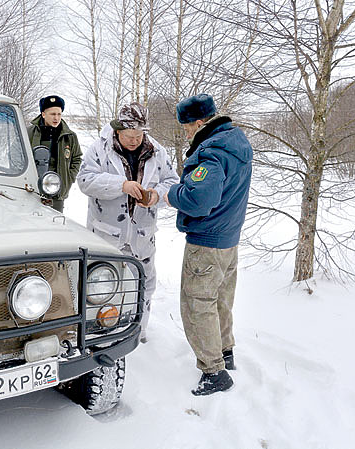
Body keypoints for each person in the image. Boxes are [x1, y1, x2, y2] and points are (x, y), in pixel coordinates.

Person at [164, 93, 253, 396]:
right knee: (220, 299)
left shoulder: (211, 152)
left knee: (197, 304)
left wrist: (170, 194)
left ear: (200, 122)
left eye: (186, 127)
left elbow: (199, 200)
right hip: (229, 238)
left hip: (207, 242)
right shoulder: (236, 141)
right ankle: (225, 351)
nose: (186, 132)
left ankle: (214, 371)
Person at [77, 102, 179, 343]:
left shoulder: (157, 151)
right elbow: (84, 180)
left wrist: (155, 196)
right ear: (117, 130)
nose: (134, 141)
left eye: (138, 135)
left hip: (143, 235)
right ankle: (101, 334)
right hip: (106, 235)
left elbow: (172, 182)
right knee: (101, 284)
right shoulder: (100, 150)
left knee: (144, 285)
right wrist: (120, 185)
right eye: (128, 136)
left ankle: (138, 333)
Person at [28, 95, 82, 212]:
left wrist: (68, 178)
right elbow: (17, 155)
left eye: (59, 114)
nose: (56, 118)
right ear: (43, 114)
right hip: (33, 189)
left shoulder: (70, 136)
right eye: (52, 114)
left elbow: (77, 158)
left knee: (55, 223)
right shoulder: (30, 132)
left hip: (57, 191)